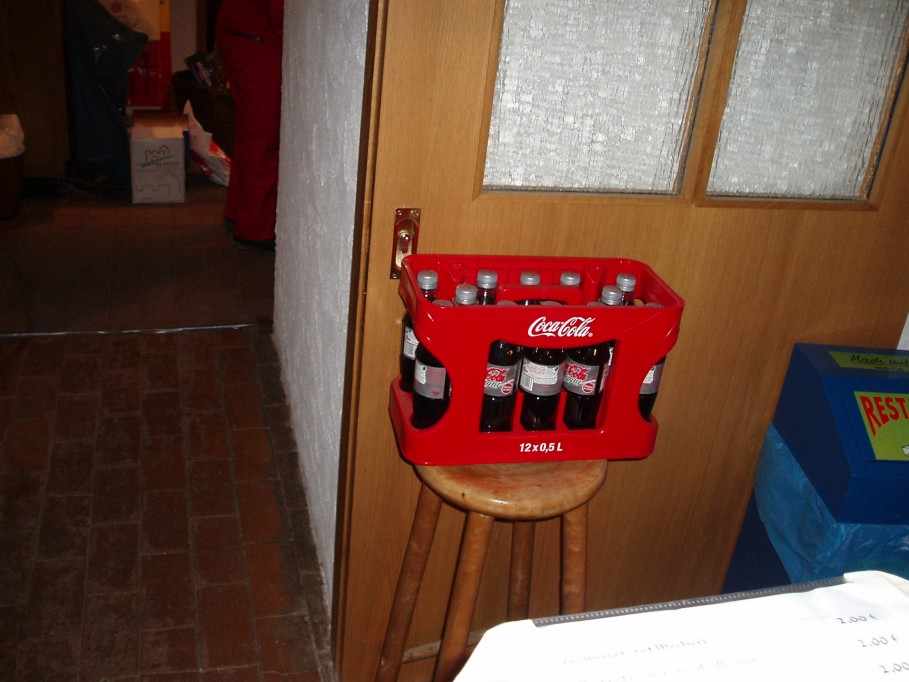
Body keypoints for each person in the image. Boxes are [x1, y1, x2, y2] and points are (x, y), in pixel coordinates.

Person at [215, 0, 283, 254]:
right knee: (263, 136)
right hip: (257, 35)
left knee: (251, 130)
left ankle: (239, 214)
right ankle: (255, 229)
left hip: (244, 30)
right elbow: (281, 13)